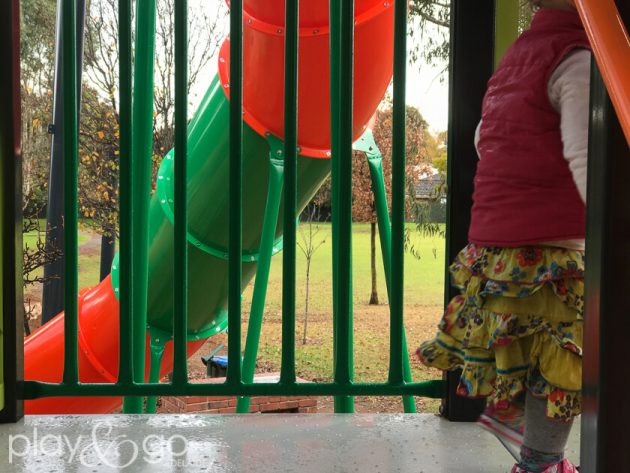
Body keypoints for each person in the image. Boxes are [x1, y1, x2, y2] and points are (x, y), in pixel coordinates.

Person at [416, 1, 591, 472]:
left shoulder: (519, 56)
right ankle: (539, 464)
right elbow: (585, 155)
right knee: (560, 365)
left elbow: (481, 137)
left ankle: (537, 461)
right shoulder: (579, 57)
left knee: (540, 362)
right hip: (553, 249)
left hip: (497, 251)